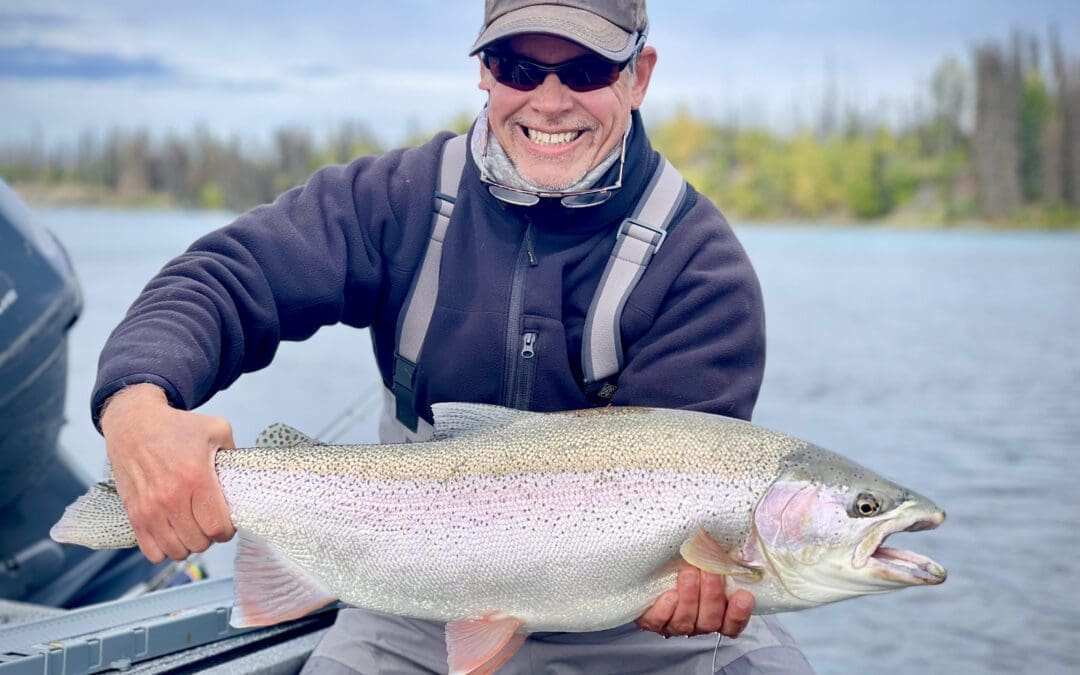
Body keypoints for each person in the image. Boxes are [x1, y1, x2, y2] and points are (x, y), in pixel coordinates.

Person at [92, 1, 814, 672]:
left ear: (639, 77)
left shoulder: (700, 266)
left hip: (633, 620)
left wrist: (700, 583)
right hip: (409, 591)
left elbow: (684, 507)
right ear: (484, 72)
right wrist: (137, 408)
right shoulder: (393, 199)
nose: (551, 100)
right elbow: (223, 277)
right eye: (520, 68)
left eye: (588, 70)